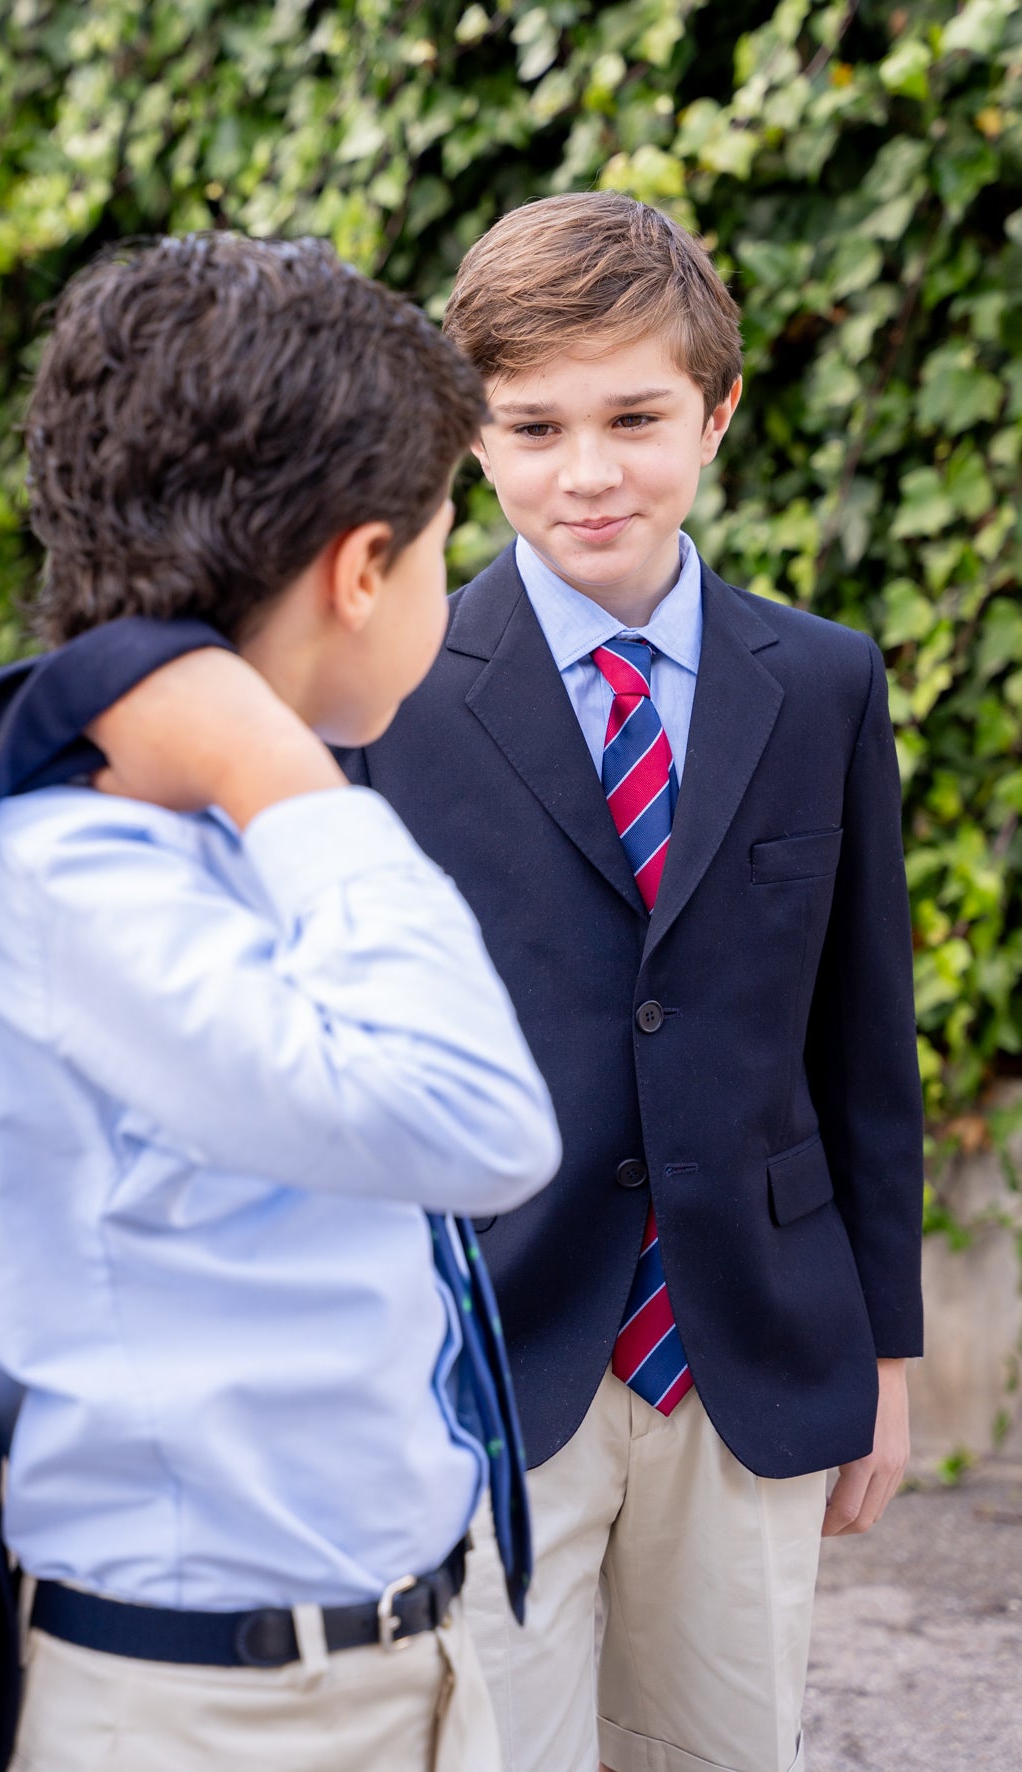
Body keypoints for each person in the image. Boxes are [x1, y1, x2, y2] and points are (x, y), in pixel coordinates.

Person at [0, 232, 562, 1772]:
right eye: (436, 547)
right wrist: (281, 767)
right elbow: (476, 1122)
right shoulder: (75, 878)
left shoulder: (253, 846)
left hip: (402, 1661)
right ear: (362, 569)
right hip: (206, 1714)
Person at [335, 192, 924, 1772]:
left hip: (743, 1342)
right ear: (469, 434)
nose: (584, 471)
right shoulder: (384, 703)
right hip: (485, 1357)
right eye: (531, 425)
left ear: (717, 414)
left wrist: (882, 1349)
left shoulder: (818, 682)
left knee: (724, 1743)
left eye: (634, 418)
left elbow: (861, 1039)